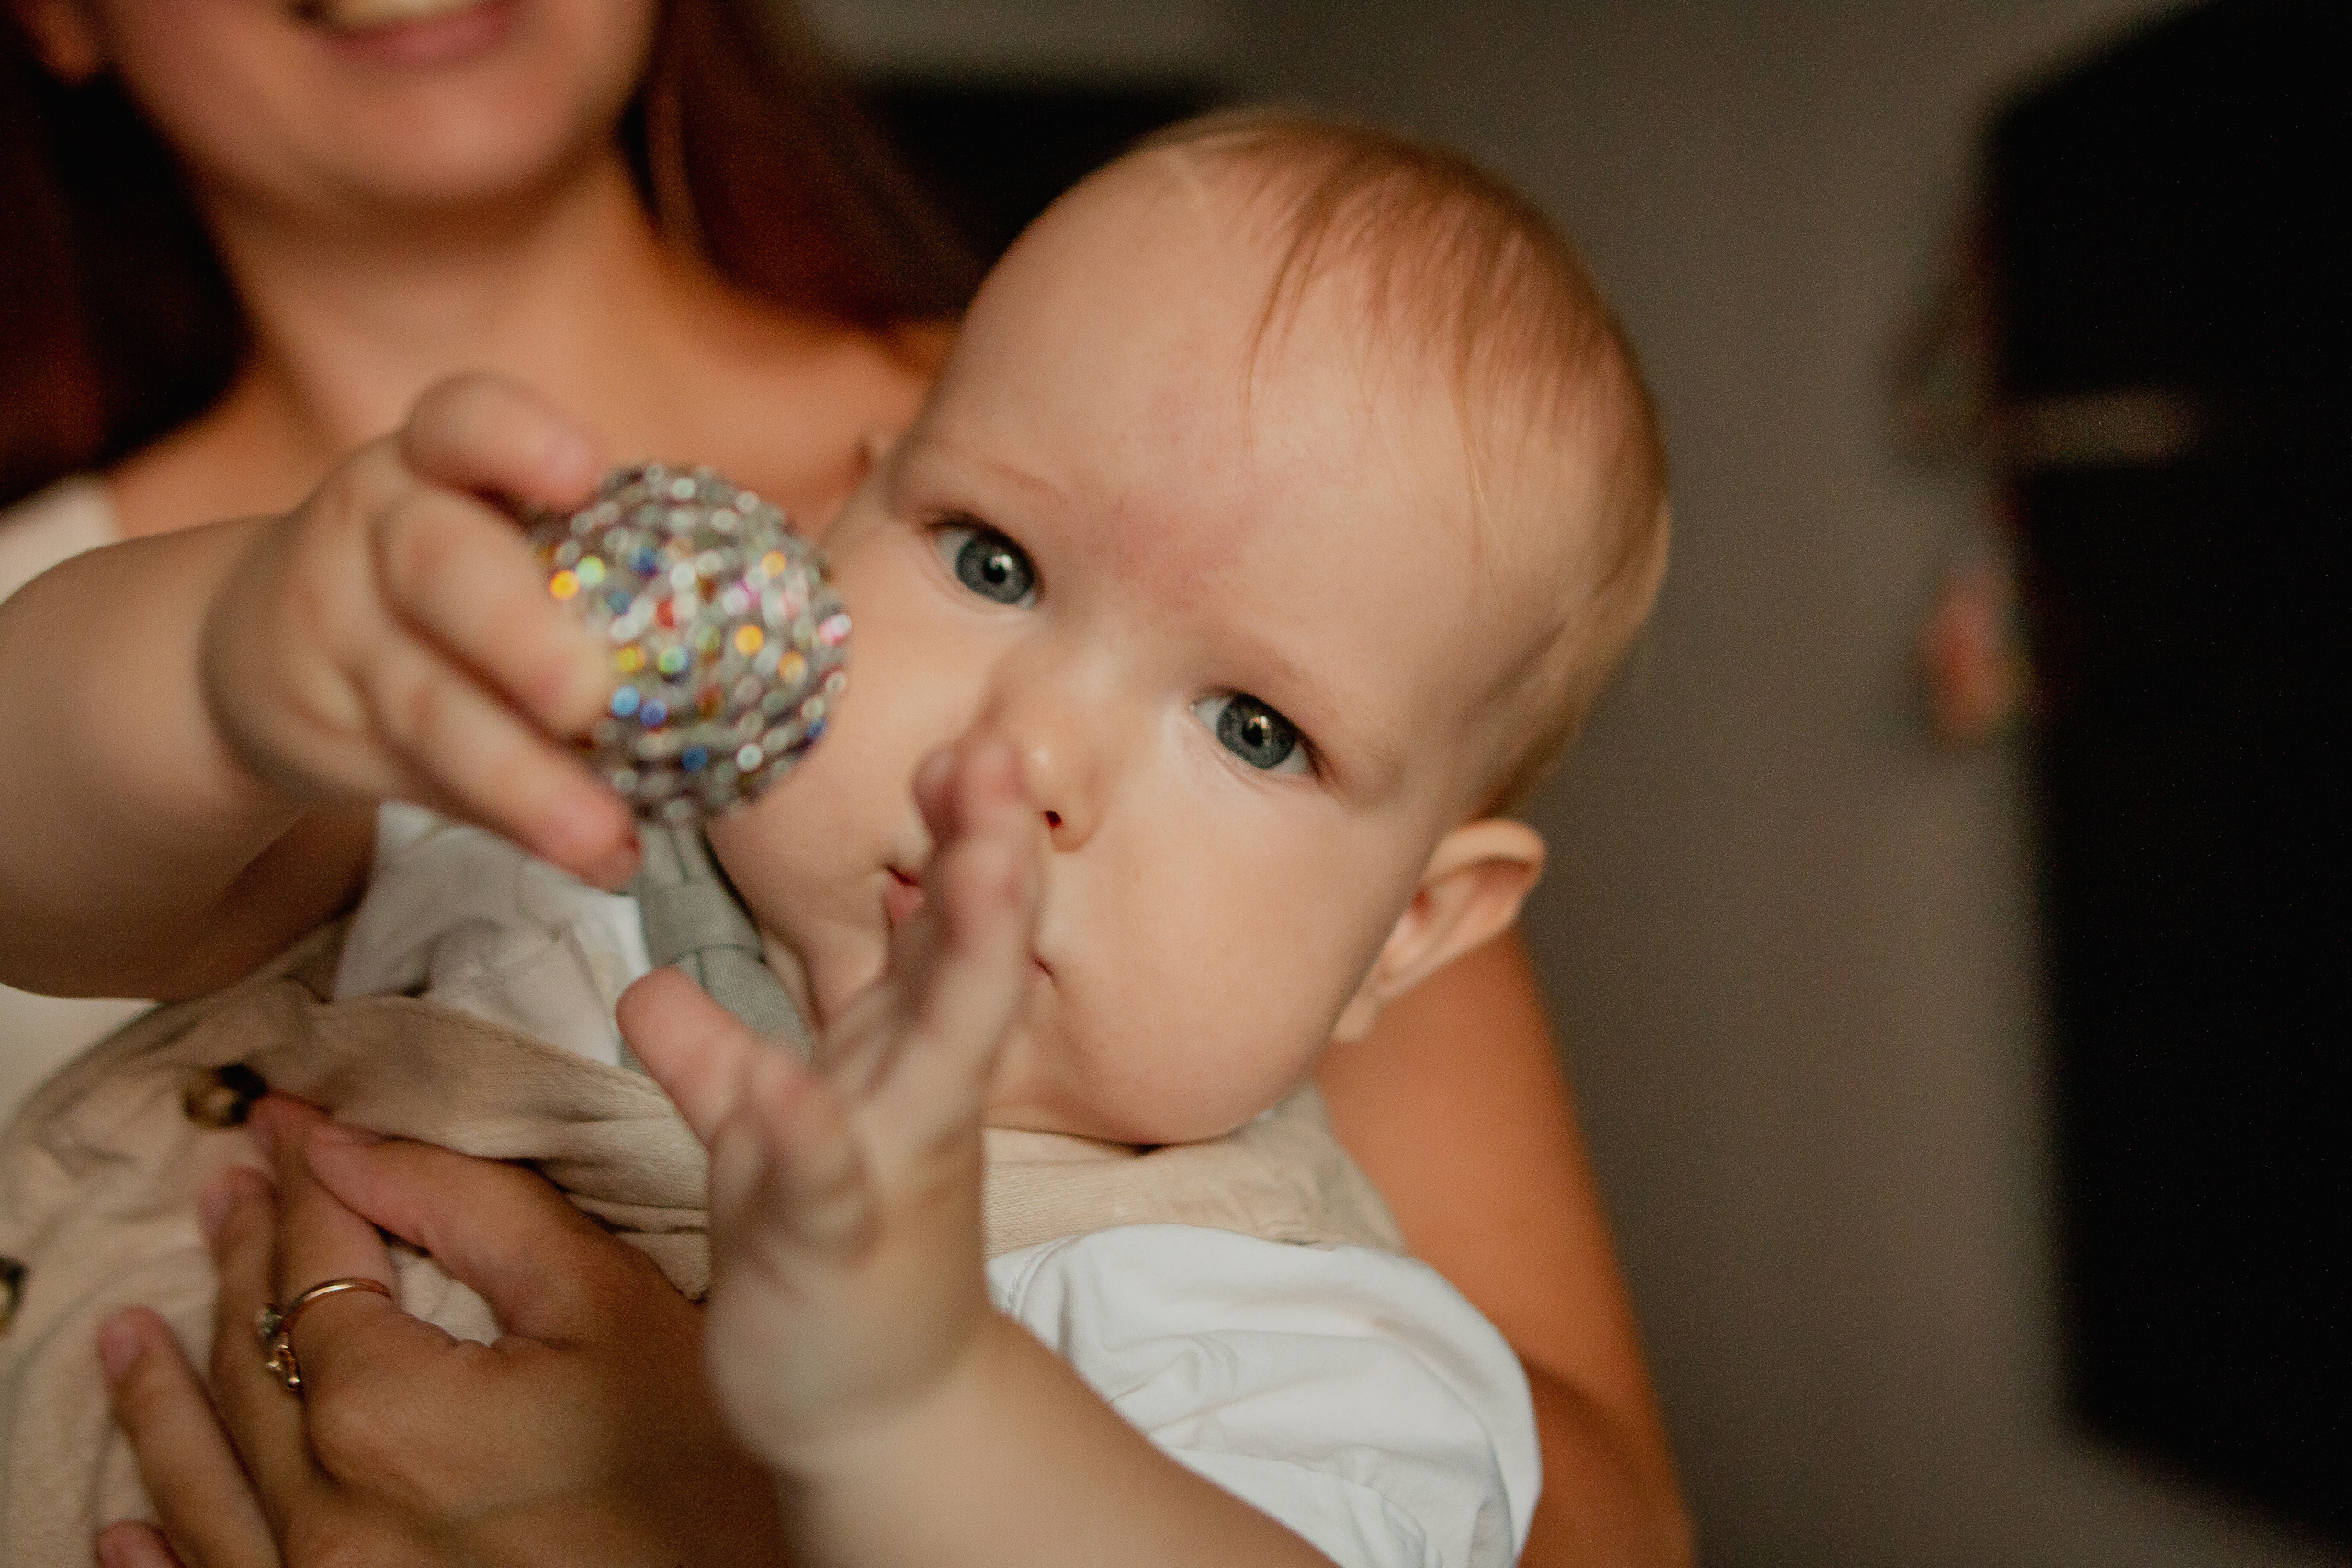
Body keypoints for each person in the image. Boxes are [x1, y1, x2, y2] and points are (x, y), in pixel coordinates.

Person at [0, 4, 1687, 1563]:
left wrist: (914, 1410)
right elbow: (37, 860)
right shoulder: (565, 791)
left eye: (1255, 729)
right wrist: (231, 667)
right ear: (836, 527)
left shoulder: (1257, 1329)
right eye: (993, 563)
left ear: (1411, 930)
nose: (1027, 755)